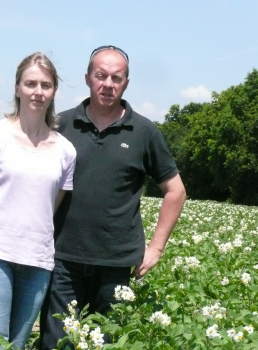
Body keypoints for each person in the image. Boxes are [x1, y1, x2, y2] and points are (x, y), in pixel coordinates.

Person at [39, 45, 186, 350]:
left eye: (116, 78)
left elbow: (176, 190)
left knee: (105, 342)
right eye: (101, 75)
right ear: (88, 78)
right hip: (62, 257)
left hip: (117, 262)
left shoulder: (145, 132)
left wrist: (156, 247)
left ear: (126, 83)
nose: (108, 84)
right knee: (57, 342)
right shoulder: (59, 125)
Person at [0, 52, 76, 349]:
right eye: (30, 83)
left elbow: (50, 206)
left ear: (54, 92)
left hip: (37, 262)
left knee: (18, 344)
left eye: (45, 85)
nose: (38, 91)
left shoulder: (66, 151)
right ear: (17, 88)